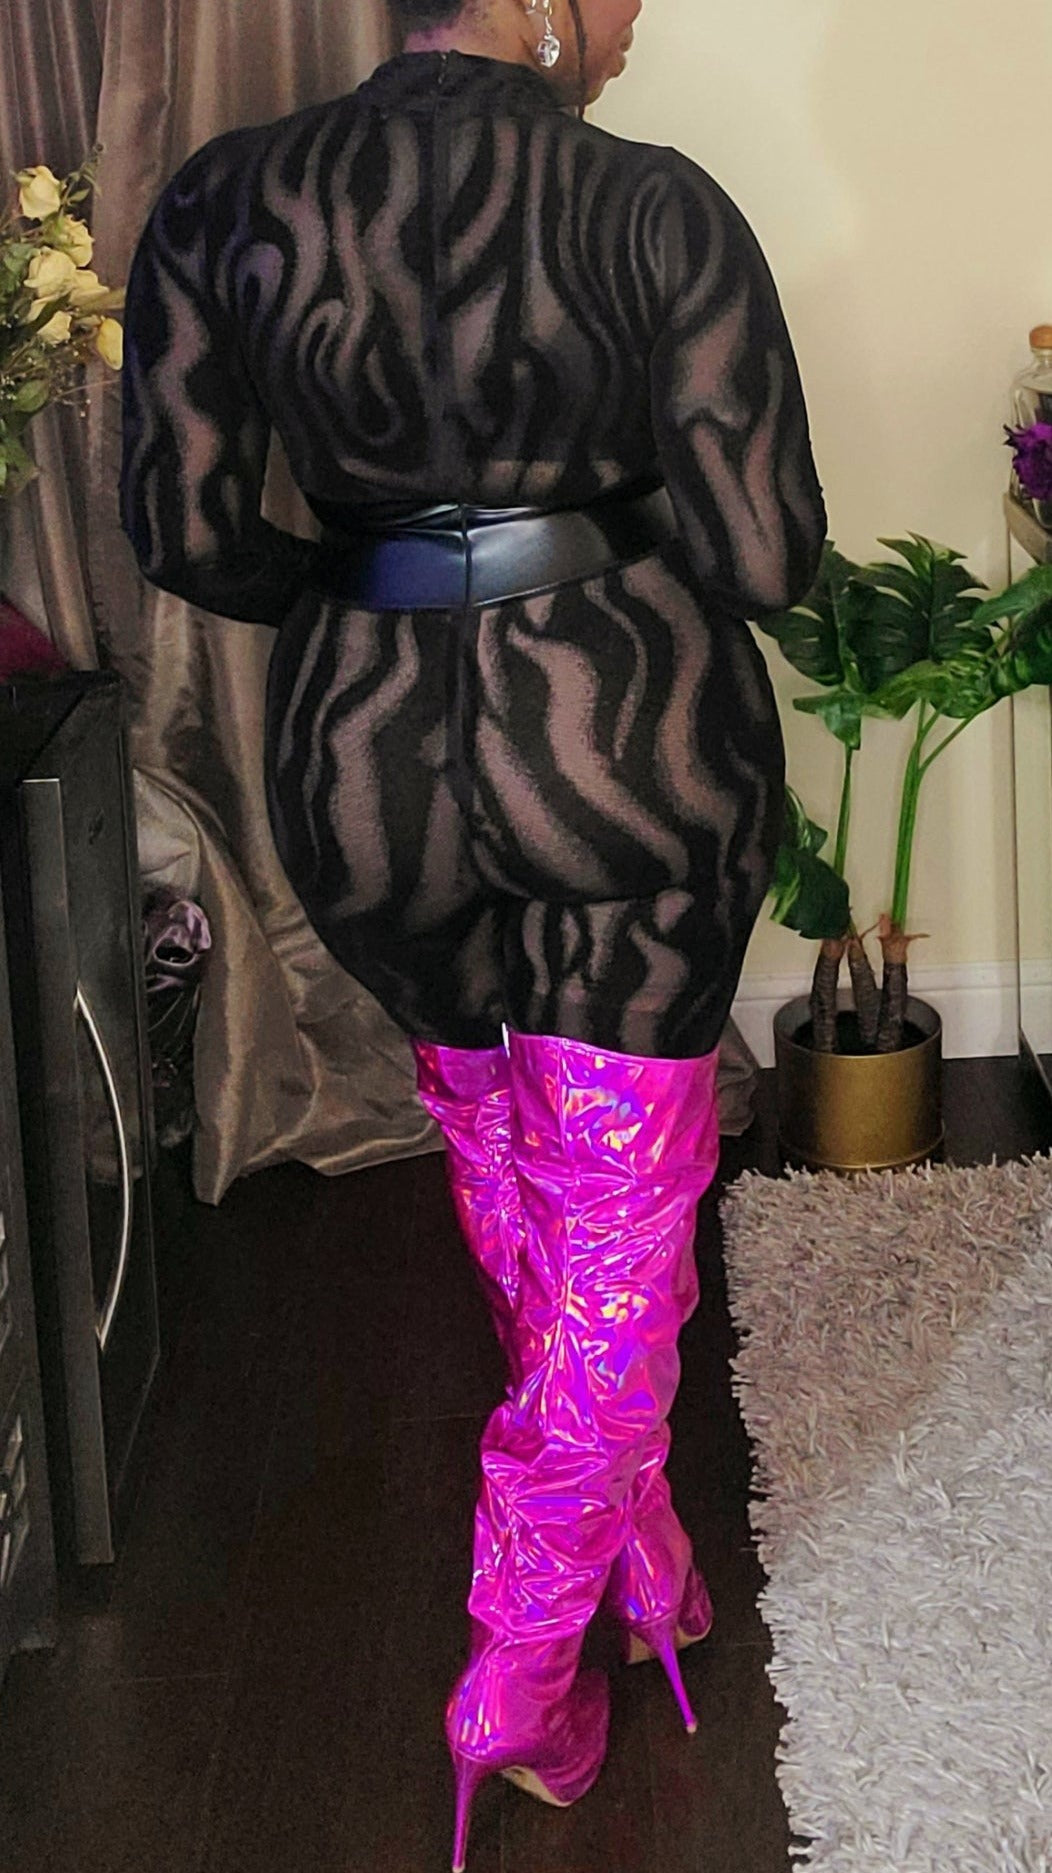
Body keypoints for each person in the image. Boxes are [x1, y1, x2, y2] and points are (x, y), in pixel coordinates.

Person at [120, 1, 826, 1865]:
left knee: (517, 1161)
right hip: (622, 744)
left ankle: (638, 1553)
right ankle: (518, 1660)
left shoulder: (224, 198)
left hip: (363, 764)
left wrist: (376, 577)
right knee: (616, 1220)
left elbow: (185, 532)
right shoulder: (653, 204)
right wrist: (595, 533)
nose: (634, 15)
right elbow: (766, 558)